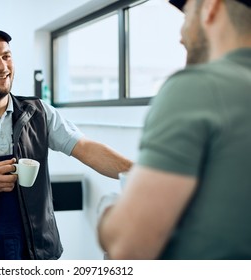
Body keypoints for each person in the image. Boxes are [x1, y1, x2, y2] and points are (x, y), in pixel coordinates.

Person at [0, 24, 133, 260]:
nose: (2, 66)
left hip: (36, 254)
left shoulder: (38, 112)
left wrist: (142, 174)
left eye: (6, 56)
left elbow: (86, 148)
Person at [98, 0, 251, 259]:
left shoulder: (198, 88)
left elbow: (127, 247)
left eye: (187, 13)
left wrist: (109, 206)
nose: (181, 36)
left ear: (211, 7)